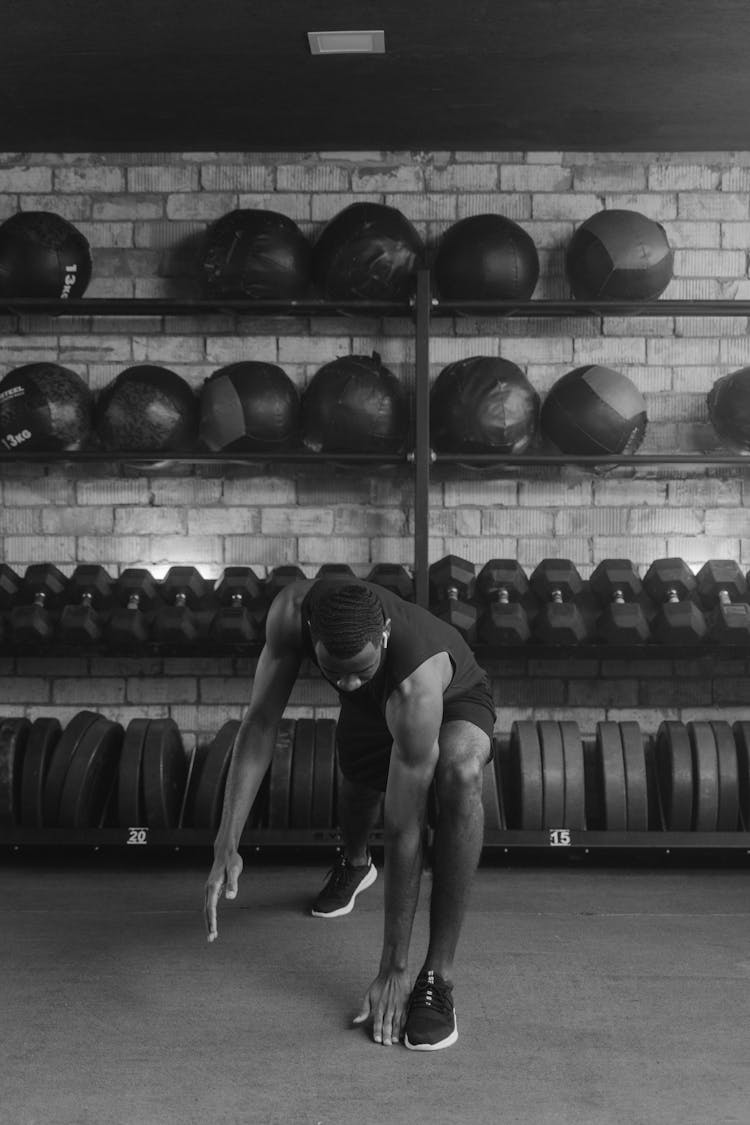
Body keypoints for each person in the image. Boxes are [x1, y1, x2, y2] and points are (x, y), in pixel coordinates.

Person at [204, 577, 495, 1051]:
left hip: (454, 691)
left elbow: (405, 829)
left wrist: (392, 970)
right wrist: (226, 841)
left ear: (381, 635)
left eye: (360, 670)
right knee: (359, 776)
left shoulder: (414, 683)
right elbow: (259, 723)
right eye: (336, 673)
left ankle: (437, 977)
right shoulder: (290, 613)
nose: (348, 682)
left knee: (459, 775)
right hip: (378, 700)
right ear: (313, 636)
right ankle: (355, 864)